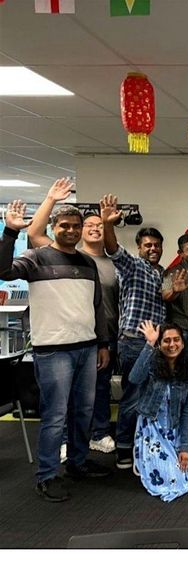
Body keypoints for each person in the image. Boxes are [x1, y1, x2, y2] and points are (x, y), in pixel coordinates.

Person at [3, 186, 112, 502]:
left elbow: (96, 307)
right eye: (64, 225)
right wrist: (10, 232)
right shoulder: (35, 258)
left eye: (76, 226)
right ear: (53, 227)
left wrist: (103, 343)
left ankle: (77, 463)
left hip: (87, 347)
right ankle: (47, 475)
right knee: (55, 416)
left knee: (84, 412)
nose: (71, 230)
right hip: (53, 351)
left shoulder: (87, 263)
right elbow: (3, 271)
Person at [19, 179, 120, 455]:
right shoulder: (55, 254)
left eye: (99, 226)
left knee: (93, 398)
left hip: (97, 339)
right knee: (60, 405)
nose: (93, 229)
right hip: (58, 344)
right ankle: (59, 452)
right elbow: (33, 234)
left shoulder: (104, 263)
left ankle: (91, 443)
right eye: (88, 225)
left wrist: (103, 342)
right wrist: (51, 198)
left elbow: (101, 304)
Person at [102, 195, 165, 470]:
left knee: (152, 396)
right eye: (147, 245)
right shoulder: (133, 266)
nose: (153, 249)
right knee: (132, 396)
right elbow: (113, 250)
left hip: (157, 344)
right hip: (134, 342)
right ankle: (124, 448)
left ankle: (145, 445)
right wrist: (107, 224)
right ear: (139, 247)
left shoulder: (161, 272)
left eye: (157, 245)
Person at [129, 320, 188, 502]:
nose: (172, 345)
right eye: (166, 340)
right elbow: (134, 378)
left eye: (176, 339)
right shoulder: (151, 361)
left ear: (183, 343)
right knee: (171, 475)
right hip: (153, 428)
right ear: (160, 343)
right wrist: (149, 344)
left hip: (177, 424)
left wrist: (185, 447)